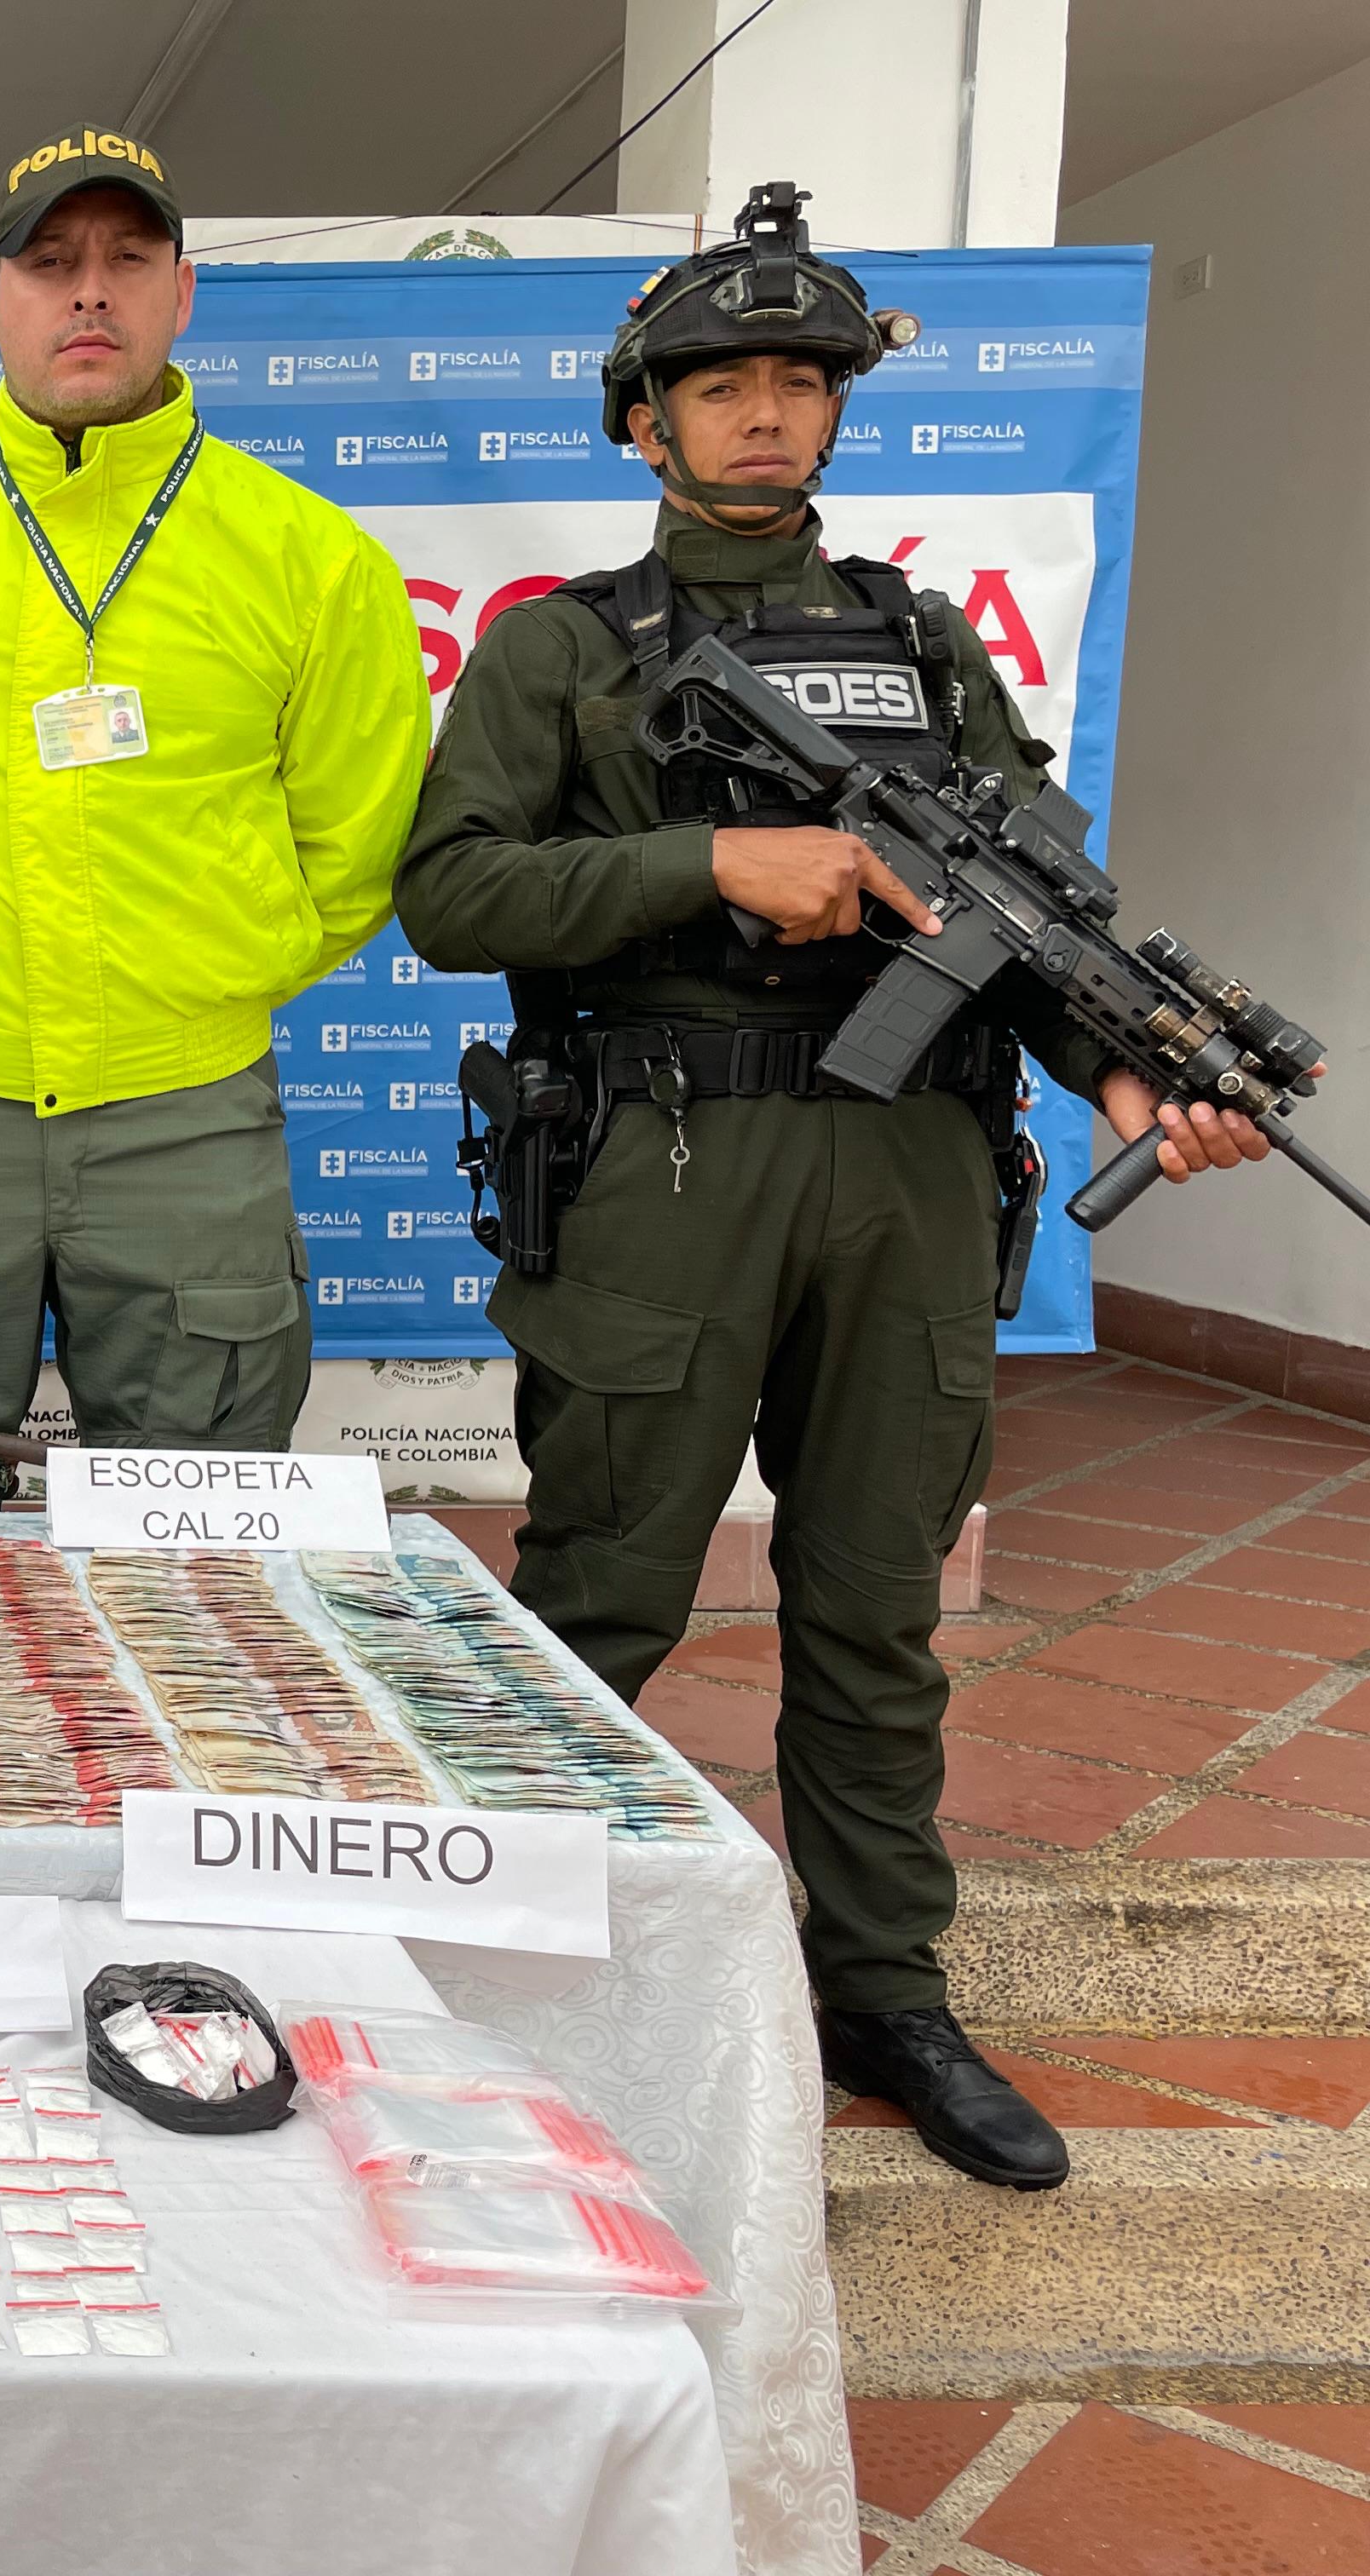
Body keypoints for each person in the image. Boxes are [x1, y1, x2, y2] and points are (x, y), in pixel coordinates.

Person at [396, 183, 1281, 2191]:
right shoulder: (560, 652)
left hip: (903, 1168)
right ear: (647, 422)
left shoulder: (921, 642)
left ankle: (883, 1985)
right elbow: (449, 892)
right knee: (599, 1594)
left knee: (874, 1611)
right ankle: (481, 1969)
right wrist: (705, 867)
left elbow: (1030, 926)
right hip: (664, 1169)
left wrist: (1133, 1072)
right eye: (724, 384)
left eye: (802, 380)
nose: (768, 414)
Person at [0, 124, 428, 1506]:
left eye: (127, 259)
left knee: (199, 1547)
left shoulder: (312, 559)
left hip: (188, 1122)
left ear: (183, 291)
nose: (91, 293)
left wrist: (196, 990)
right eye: (51, 264)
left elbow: (357, 849)